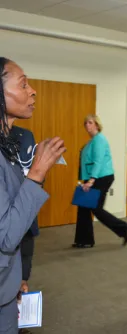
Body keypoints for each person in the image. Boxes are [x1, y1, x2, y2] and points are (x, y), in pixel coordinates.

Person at [0, 57, 66, 333]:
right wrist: (37, 173)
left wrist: (14, 279)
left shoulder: (12, 142)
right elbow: (6, 235)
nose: (33, 91)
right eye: (23, 84)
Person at [73, 115, 127, 248]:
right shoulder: (91, 141)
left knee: (96, 209)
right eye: (85, 123)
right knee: (83, 207)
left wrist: (91, 180)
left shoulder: (99, 140)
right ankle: (84, 240)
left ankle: (123, 228)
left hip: (101, 178)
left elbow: (98, 161)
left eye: (90, 122)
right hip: (92, 177)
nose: (87, 125)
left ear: (96, 125)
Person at [10, 126, 38, 334]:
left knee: (23, 263)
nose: (32, 91)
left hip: (25, 215)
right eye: (23, 89)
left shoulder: (25, 135)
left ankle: (19, 319)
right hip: (6, 217)